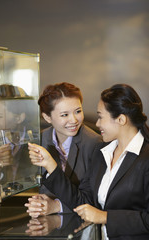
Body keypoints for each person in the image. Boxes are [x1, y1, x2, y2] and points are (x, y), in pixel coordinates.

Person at [28, 83, 149, 239]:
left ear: (121, 119)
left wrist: (104, 217)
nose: (97, 124)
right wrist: (51, 166)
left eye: (100, 117)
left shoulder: (145, 157)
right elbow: (83, 200)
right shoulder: (102, 152)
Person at [25, 82, 101, 217]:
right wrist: (39, 203)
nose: (74, 120)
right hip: (47, 222)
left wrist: (56, 206)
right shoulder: (40, 140)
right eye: (64, 115)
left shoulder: (95, 144)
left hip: (81, 224)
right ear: (47, 117)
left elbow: (91, 200)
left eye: (78, 111)